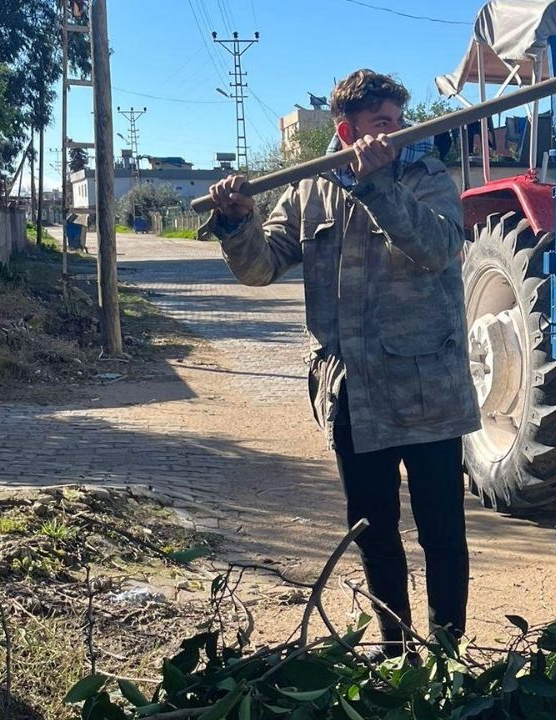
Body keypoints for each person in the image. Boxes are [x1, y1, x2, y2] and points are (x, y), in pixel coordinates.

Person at [201, 69, 479, 657]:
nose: (395, 135)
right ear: (346, 127)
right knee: (375, 534)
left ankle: (447, 655)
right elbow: (258, 268)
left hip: (428, 390)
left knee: (443, 534)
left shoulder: (424, 177)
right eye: (382, 124)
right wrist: (236, 220)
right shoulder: (308, 189)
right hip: (353, 394)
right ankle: (396, 650)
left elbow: (438, 248)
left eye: (399, 123)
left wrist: (378, 184)